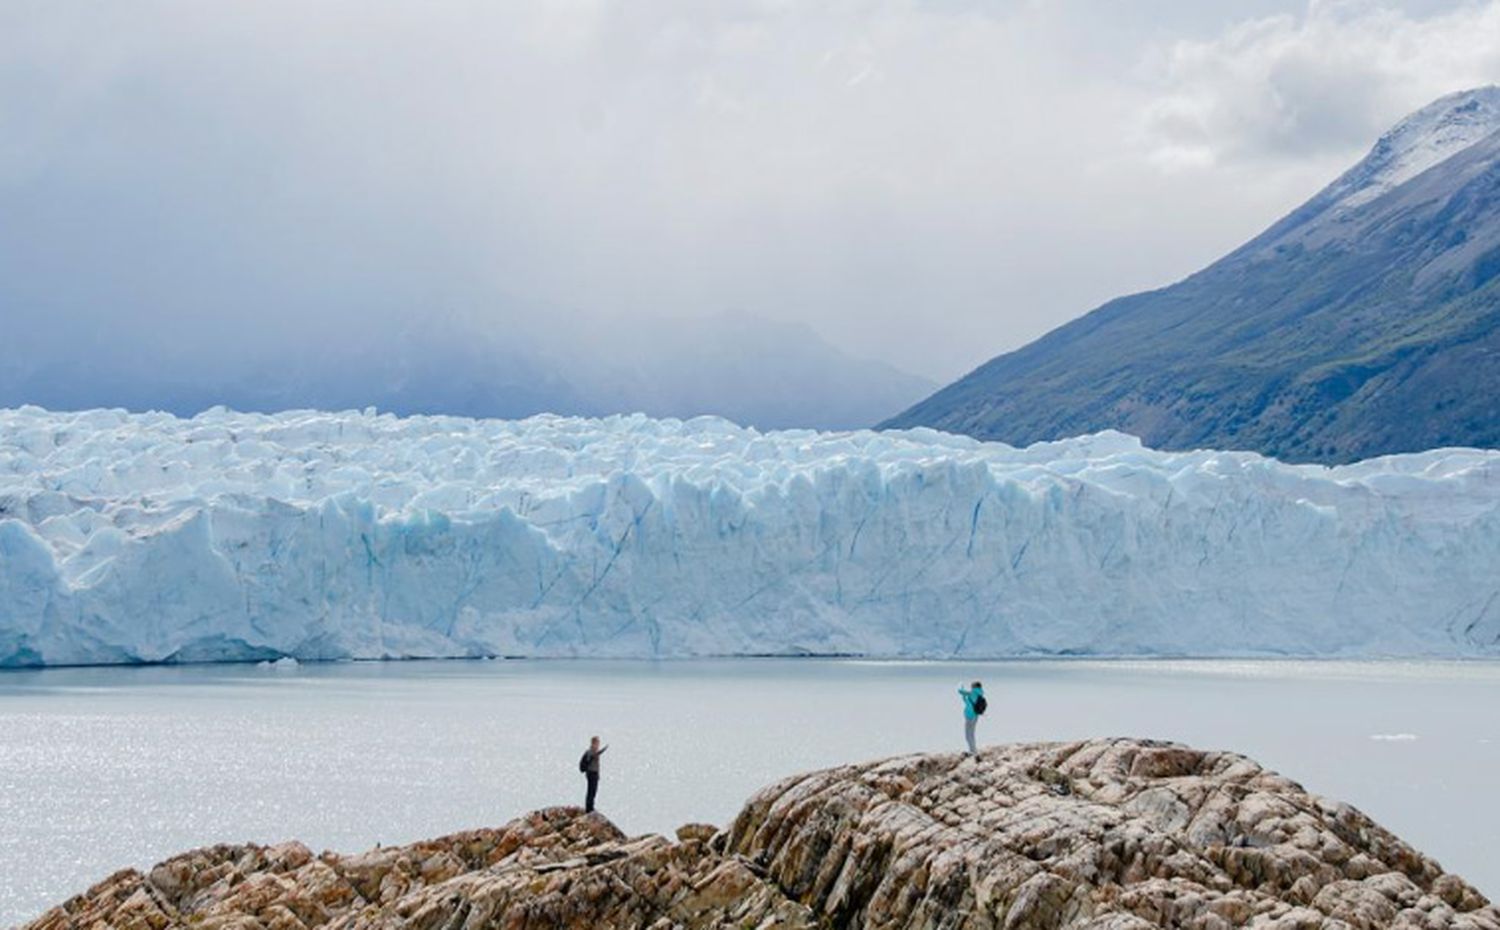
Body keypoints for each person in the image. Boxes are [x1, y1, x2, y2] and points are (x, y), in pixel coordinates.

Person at [579, 735, 608, 813]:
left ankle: (591, 806)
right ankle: (589, 808)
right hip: (591, 773)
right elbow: (589, 761)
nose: (598, 744)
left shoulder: (595, 752)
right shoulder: (590, 751)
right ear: (593, 743)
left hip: (594, 773)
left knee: (593, 791)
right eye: (597, 742)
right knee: (591, 791)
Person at [958, 681, 985, 754]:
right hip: (975, 716)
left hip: (970, 716)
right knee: (971, 734)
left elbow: (960, 691)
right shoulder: (979, 694)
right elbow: (968, 702)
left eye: (972, 686)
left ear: (975, 687)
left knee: (968, 735)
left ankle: (973, 751)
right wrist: (964, 697)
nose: (971, 687)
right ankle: (973, 749)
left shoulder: (973, 693)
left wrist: (960, 685)